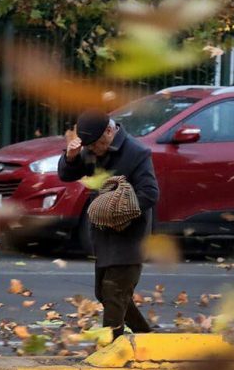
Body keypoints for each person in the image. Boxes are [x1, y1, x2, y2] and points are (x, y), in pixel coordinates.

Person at [58, 111, 159, 339]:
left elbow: (150, 193)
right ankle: (147, 337)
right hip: (103, 234)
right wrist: (71, 157)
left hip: (129, 235)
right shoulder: (92, 149)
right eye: (88, 146)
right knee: (105, 293)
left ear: (109, 131)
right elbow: (66, 175)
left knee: (114, 294)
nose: (92, 150)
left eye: (95, 144)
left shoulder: (137, 152)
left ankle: (111, 347)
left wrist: (120, 208)